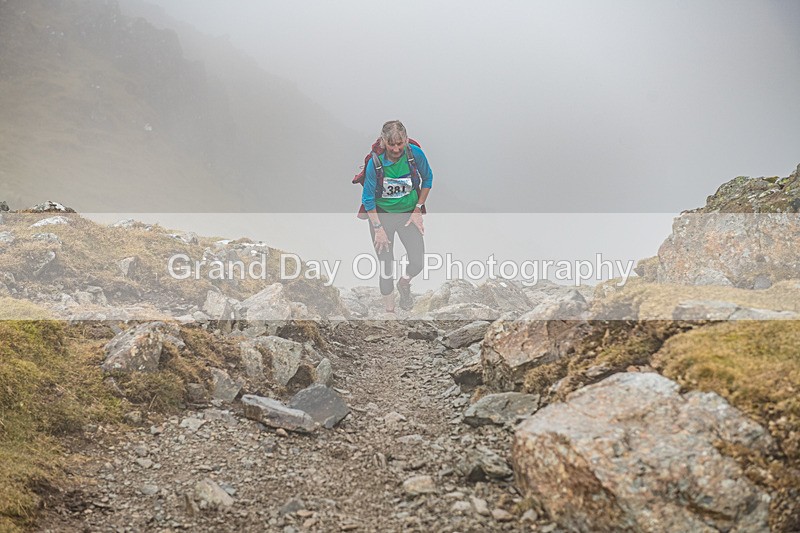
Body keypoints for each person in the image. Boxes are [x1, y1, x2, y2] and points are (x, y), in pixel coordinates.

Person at [362, 120, 433, 313]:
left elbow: (428, 178)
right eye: (391, 144)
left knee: (417, 262)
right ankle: (390, 312)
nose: (395, 149)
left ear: (406, 140)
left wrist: (418, 209)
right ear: (383, 141)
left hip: (407, 216)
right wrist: (378, 229)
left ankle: (404, 283)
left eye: (400, 143)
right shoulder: (375, 162)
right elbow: (368, 198)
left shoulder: (414, 154)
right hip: (382, 217)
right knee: (386, 266)